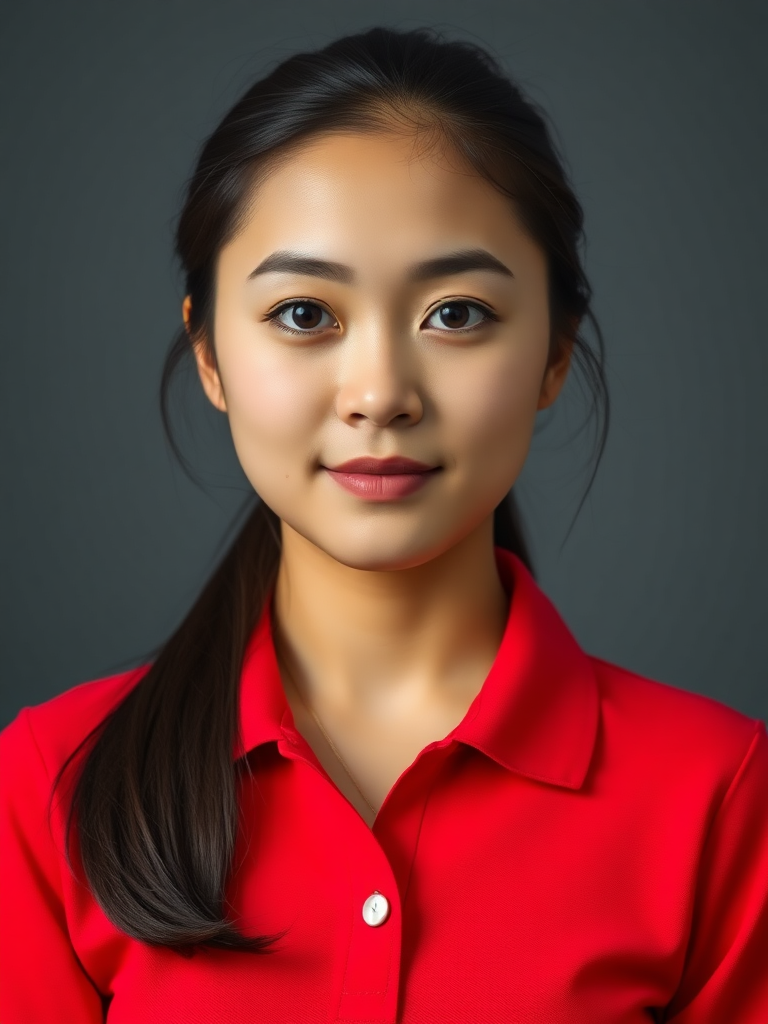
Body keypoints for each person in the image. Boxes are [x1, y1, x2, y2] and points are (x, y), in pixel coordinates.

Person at [1, 24, 766, 1024]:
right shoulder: (48, 785)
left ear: (553, 354)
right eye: (305, 314)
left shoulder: (719, 794)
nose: (380, 394)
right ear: (209, 356)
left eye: (456, 314)